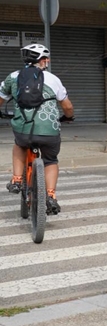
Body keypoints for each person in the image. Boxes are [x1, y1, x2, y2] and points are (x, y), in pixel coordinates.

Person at [0, 43, 74, 214]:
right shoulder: (53, 79)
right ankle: (50, 196)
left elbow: (1, 98)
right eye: (45, 58)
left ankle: (17, 180)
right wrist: (69, 117)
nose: (47, 61)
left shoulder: (12, 77)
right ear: (40, 60)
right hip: (49, 131)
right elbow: (67, 106)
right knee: (51, 160)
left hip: (23, 130)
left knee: (19, 145)